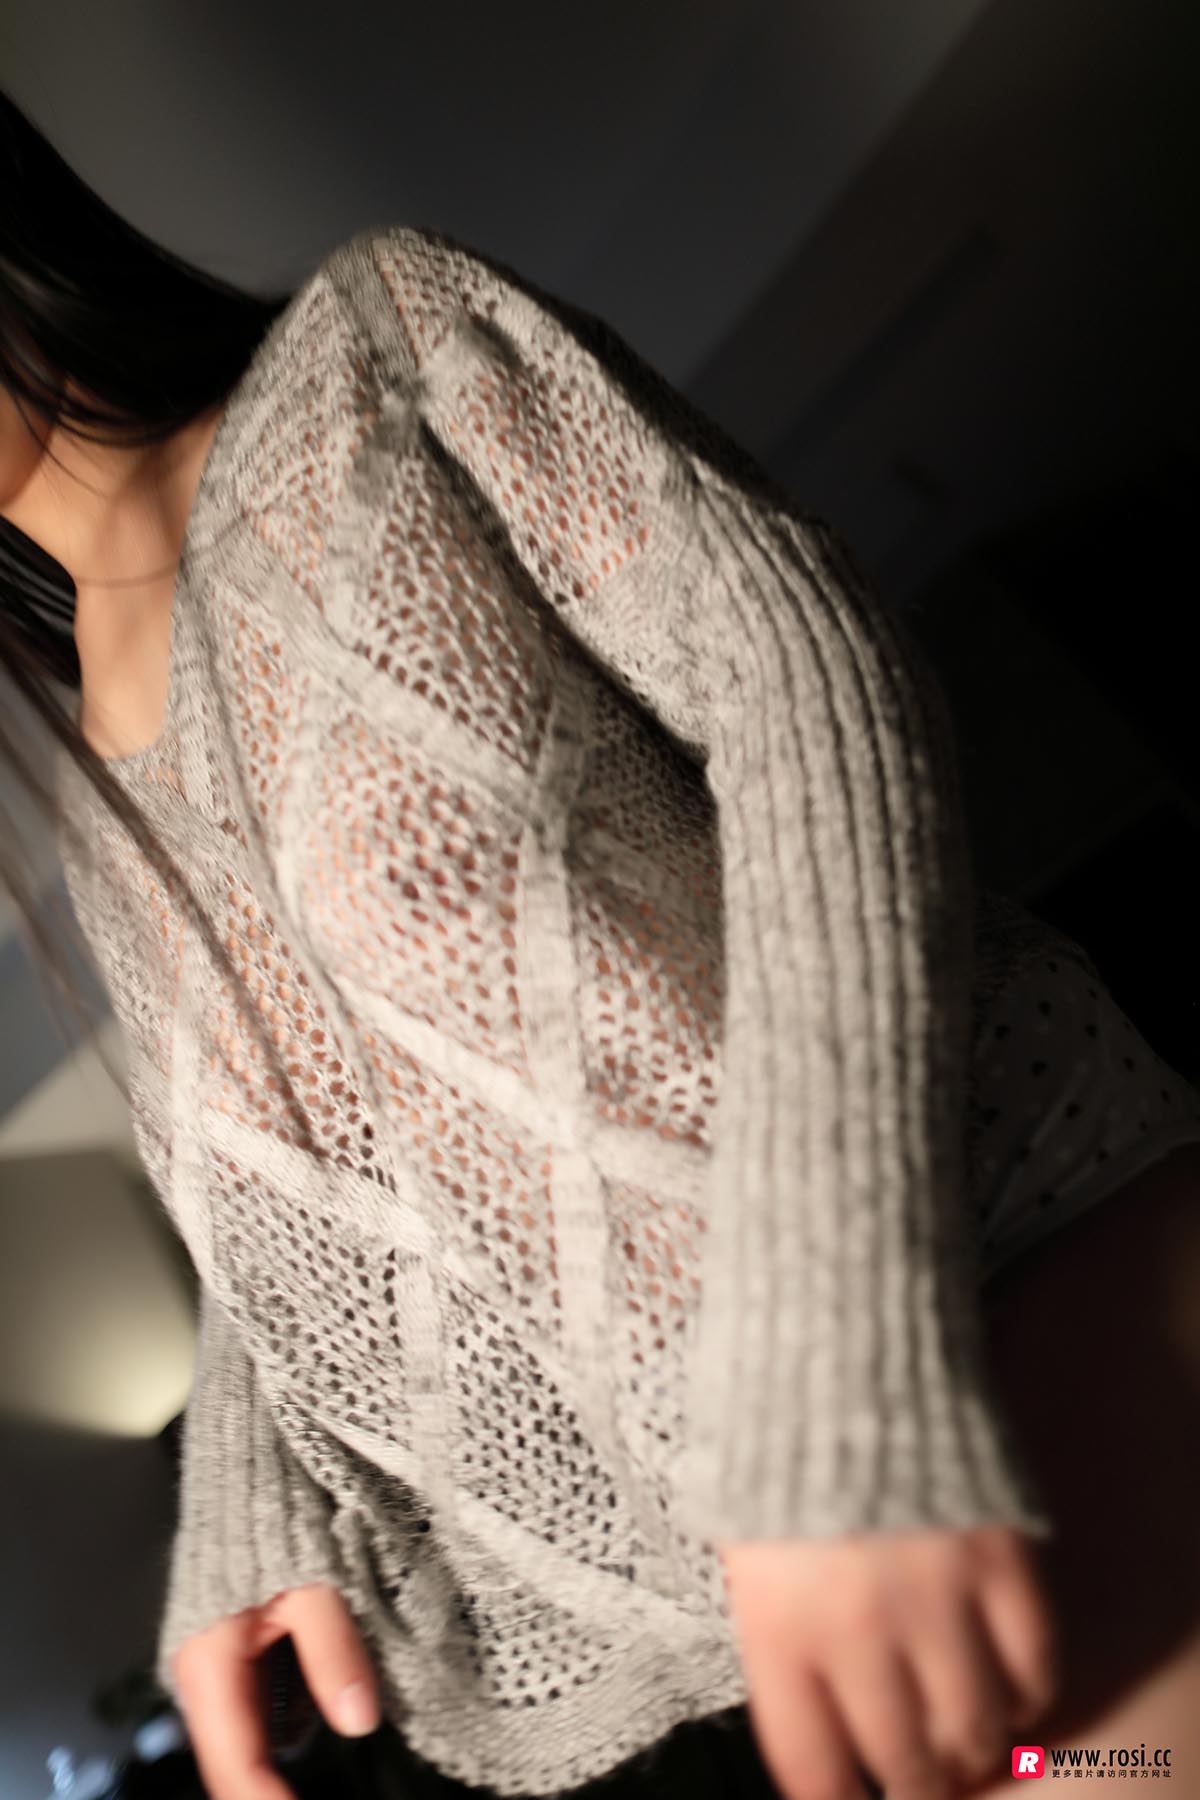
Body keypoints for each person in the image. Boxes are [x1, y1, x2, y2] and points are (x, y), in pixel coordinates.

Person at [3, 85, 1199, 1800]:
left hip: (1016, 1304)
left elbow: (807, 693)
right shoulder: (96, 791)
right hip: (771, 1579)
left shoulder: (375, 357)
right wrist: (248, 1496)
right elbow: (358, 1155)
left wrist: (832, 1381)